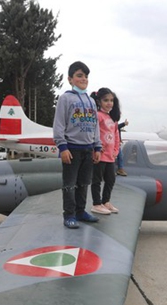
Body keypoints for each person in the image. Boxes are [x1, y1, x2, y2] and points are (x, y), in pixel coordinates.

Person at [52, 61, 102, 229]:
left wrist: (97, 147)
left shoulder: (91, 102)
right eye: (79, 75)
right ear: (70, 79)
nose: (83, 79)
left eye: (86, 76)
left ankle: (81, 211)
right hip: (72, 149)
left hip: (88, 149)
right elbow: (59, 124)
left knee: (84, 183)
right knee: (70, 185)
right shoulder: (66, 98)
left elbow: (95, 126)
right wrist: (62, 147)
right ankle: (69, 214)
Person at [90, 88, 121, 215]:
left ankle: (106, 201)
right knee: (96, 180)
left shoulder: (113, 118)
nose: (109, 103)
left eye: (111, 100)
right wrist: (95, 147)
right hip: (99, 154)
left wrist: (116, 150)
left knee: (110, 179)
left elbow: (116, 136)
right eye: (106, 100)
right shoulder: (97, 115)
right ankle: (96, 203)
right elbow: (92, 132)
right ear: (99, 101)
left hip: (110, 155)